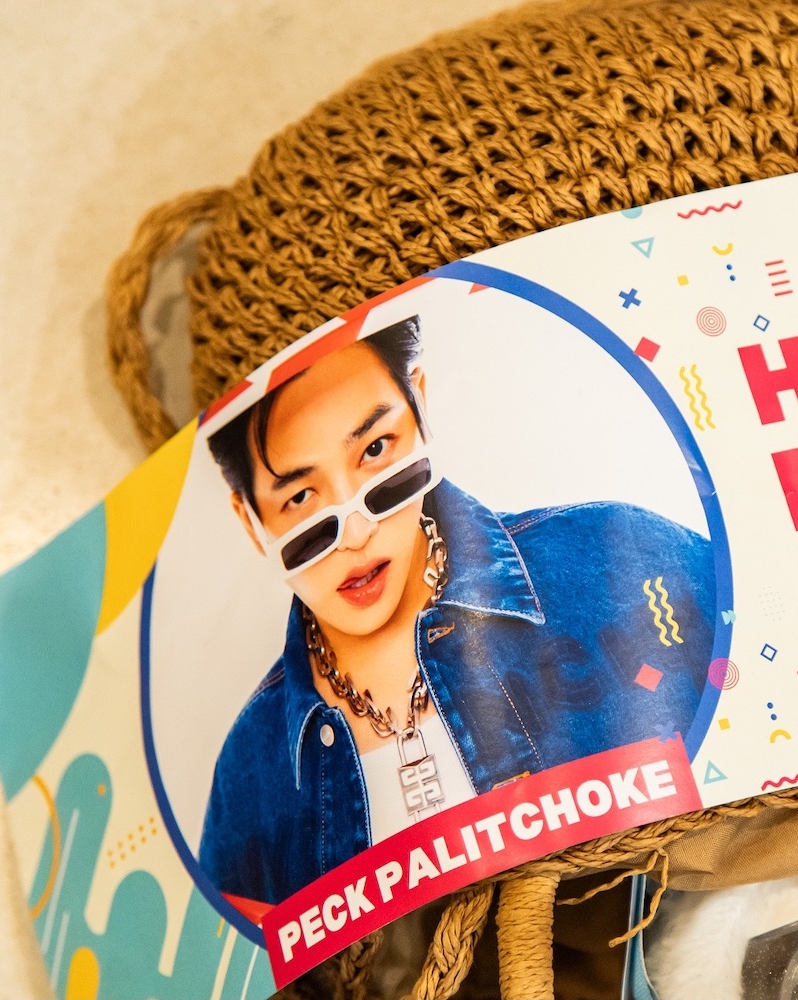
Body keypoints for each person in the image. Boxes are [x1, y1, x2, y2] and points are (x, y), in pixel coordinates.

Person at [197, 314, 716, 907]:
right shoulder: (249, 773)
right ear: (251, 521)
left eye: (375, 450)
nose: (356, 532)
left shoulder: (623, 556)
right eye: (300, 497)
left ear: (419, 408)